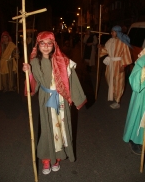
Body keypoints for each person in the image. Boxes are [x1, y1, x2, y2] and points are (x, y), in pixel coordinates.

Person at [22, 31, 87, 175]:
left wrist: (77, 98)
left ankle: (57, 156)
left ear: (54, 45)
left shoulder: (62, 60)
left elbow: (71, 79)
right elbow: (35, 85)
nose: (45, 47)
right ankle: (46, 158)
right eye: (42, 44)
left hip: (61, 99)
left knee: (61, 128)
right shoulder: (34, 62)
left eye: (49, 44)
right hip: (46, 99)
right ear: (38, 45)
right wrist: (29, 73)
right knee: (47, 128)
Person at [98, 25, 132, 109]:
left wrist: (123, 65)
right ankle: (114, 95)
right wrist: (100, 47)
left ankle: (118, 101)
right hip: (110, 65)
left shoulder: (123, 42)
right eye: (111, 31)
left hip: (118, 64)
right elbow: (106, 50)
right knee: (110, 79)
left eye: (113, 31)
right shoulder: (110, 41)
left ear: (117, 32)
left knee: (118, 82)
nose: (111, 33)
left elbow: (126, 54)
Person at [123, 49, 145, 155]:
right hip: (142, 96)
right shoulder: (143, 60)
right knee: (139, 117)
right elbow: (134, 81)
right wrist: (143, 72)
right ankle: (134, 140)